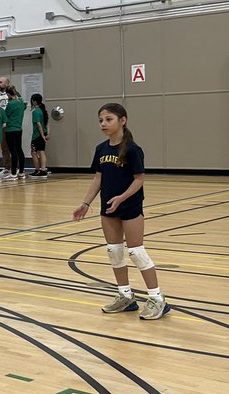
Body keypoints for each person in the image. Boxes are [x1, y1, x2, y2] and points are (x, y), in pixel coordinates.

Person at [73, 103, 168, 319]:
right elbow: (98, 178)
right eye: (100, 120)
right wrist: (85, 203)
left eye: (108, 120)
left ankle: (157, 298)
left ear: (122, 121)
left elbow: (139, 180)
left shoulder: (133, 150)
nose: (103, 124)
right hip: (108, 208)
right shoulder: (101, 149)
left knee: (136, 252)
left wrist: (121, 198)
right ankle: (125, 296)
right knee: (114, 251)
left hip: (130, 207)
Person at [2, 87, 26, 179]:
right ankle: (21, 172)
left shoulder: (10, 104)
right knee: (19, 149)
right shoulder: (21, 103)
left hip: (10, 129)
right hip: (19, 129)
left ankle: (13, 173)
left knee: (13, 151)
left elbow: (5, 115)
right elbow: (22, 102)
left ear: (8, 94)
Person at [30, 93, 50, 177]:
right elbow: (47, 124)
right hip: (44, 133)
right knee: (42, 151)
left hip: (37, 135)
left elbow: (38, 124)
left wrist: (41, 135)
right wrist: (47, 134)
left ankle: (37, 169)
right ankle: (43, 169)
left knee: (34, 152)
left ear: (34, 101)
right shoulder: (43, 111)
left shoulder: (36, 111)